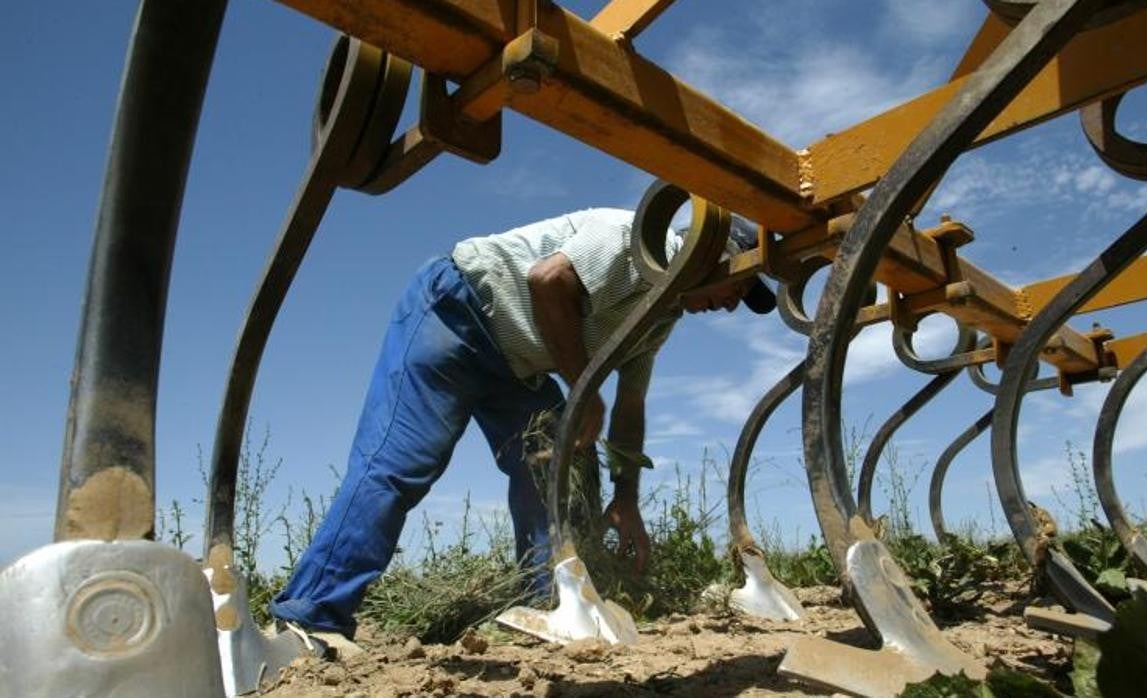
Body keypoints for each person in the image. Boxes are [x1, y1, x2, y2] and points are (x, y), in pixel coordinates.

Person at [269, 207, 775, 647]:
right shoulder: (627, 237)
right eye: (739, 284)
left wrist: (626, 497)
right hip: (458, 311)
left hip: (518, 367)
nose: (733, 303)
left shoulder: (661, 318)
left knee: (562, 459)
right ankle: (311, 619)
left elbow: (630, 405)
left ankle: (545, 604)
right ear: (711, 254)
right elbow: (547, 280)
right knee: (401, 464)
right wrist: (582, 388)